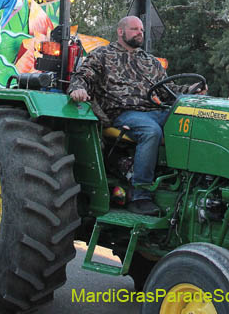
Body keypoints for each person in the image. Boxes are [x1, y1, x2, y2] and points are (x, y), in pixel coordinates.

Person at [68, 16, 204, 216]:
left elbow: (169, 90)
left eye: (141, 30)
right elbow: (82, 76)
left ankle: (193, 186)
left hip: (154, 111)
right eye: (134, 29)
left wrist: (192, 89)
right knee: (151, 132)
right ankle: (140, 196)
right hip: (123, 113)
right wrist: (77, 89)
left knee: (194, 119)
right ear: (120, 32)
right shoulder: (102, 55)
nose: (140, 33)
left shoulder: (150, 61)